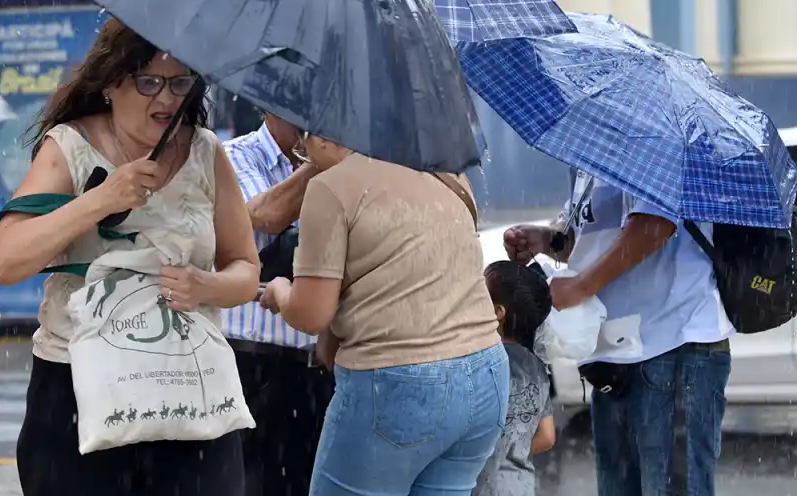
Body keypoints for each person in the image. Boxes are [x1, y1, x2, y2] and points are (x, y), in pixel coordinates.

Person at [0, 17, 261, 496]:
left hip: (189, 389)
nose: (167, 98)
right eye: (149, 81)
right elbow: (5, 262)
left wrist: (206, 286)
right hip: (79, 388)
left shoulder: (205, 151)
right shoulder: (68, 147)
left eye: (180, 83)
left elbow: (245, 270)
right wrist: (101, 199)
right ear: (113, 83)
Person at [260, 132, 508, 496]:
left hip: (399, 384)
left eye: (303, 142)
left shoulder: (331, 187)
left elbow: (311, 315)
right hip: (486, 376)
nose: (303, 155)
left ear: (326, 134)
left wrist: (282, 292)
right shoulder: (447, 173)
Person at [505, 171, 732, 495]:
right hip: (616, 353)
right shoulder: (590, 153)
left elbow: (656, 225)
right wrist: (547, 240)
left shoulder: (650, 128)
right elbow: (597, 241)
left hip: (672, 345)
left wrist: (582, 287)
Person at [223, 112, 334, 496]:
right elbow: (267, 216)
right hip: (250, 362)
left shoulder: (342, 166)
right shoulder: (234, 155)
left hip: (316, 367)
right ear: (272, 106)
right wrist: (321, 162)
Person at [473, 261, 556, 496]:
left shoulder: (485, 361)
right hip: (519, 486)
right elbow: (547, 437)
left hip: (481, 486)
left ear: (498, 312)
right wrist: (512, 450)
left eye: (480, 292)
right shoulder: (537, 366)